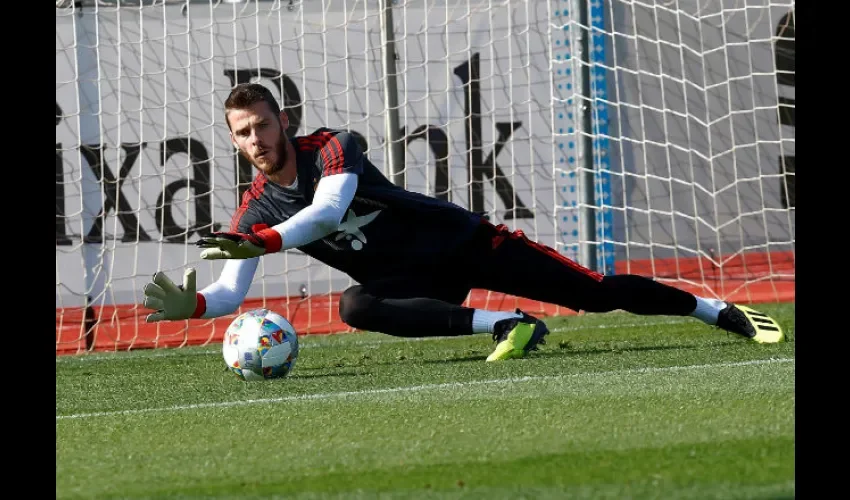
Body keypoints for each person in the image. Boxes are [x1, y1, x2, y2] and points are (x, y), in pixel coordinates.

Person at [142, 83, 785, 362]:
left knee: (593, 293)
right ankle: (508, 326)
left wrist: (264, 239)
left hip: (464, 242)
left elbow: (328, 212)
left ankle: (716, 311)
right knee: (357, 306)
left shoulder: (332, 146)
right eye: (242, 134)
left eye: (261, 125)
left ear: (283, 120)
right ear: (233, 142)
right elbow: (231, 292)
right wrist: (193, 305)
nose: (255, 139)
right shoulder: (253, 208)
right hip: (406, 277)